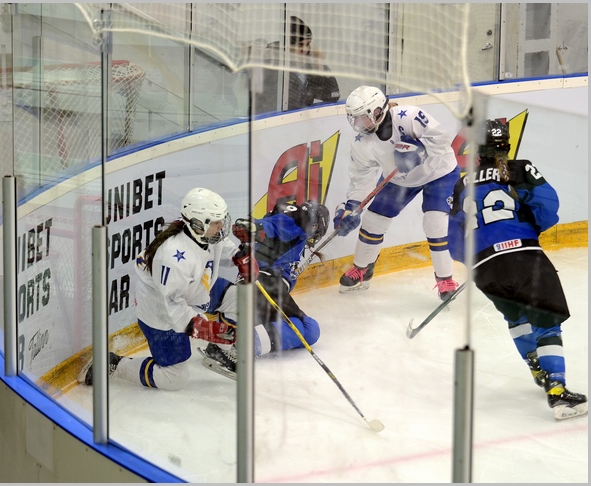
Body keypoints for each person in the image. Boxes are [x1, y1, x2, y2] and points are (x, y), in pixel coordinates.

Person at [448, 118, 587, 420]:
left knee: (516, 317)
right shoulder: (519, 169)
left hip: (485, 268)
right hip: (524, 256)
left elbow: (455, 243)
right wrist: (529, 227)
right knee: (546, 320)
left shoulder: (461, 184)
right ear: (506, 146)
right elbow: (548, 207)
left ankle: (537, 369)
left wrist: (478, 260)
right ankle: (557, 390)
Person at [78, 187, 246, 390]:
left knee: (241, 298)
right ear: (197, 224)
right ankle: (115, 363)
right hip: (160, 310)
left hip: (192, 289)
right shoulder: (173, 258)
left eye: (221, 220)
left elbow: (221, 243)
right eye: (216, 222)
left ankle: (218, 351)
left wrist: (240, 254)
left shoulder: (202, 233)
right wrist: (200, 328)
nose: (221, 226)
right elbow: (172, 307)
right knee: (174, 378)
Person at [333, 85, 461, 300]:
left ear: (377, 112)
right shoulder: (361, 143)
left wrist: (419, 150)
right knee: (373, 220)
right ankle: (363, 268)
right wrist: (352, 208)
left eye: (362, 117)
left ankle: (445, 279)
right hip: (400, 179)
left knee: (435, 222)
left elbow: (442, 139)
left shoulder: (409, 117)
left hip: (438, 172)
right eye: (353, 118)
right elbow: (361, 178)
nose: (357, 124)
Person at [229, 200, 329, 360]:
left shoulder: (294, 241)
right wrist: (256, 227)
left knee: (310, 331)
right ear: (315, 225)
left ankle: (247, 337)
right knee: (304, 328)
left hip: (265, 291)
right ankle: (239, 343)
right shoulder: (299, 218)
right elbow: (274, 224)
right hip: (262, 284)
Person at [254, 16, 340, 113]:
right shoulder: (272, 66)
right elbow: (296, 102)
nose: (305, 50)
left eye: (308, 44)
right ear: (286, 46)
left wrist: (318, 66)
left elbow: (332, 96)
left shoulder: (305, 65)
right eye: (300, 45)